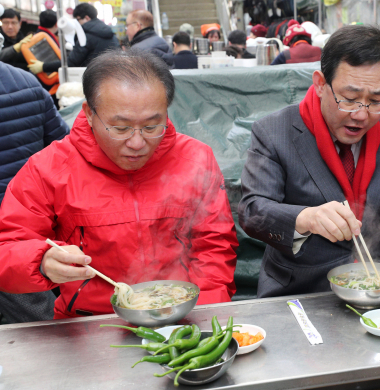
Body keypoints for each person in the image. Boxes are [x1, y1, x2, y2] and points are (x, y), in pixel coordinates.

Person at [0, 49, 238, 319]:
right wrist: (40, 260)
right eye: (121, 128)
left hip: (183, 314)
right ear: (89, 114)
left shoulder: (195, 158)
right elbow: (7, 247)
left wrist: (204, 314)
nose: (137, 143)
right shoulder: (48, 168)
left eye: (151, 126)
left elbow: (214, 245)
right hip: (91, 322)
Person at [239, 25, 380, 298]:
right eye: (349, 99)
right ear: (320, 84)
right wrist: (306, 217)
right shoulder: (274, 132)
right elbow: (253, 209)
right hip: (300, 290)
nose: (361, 115)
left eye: (377, 100)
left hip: (378, 287)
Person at [0, 61, 69, 323]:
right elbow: (64, 149)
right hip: (35, 217)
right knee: (37, 307)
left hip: (13, 228)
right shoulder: (28, 82)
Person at [28, 3, 120, 75]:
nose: (76, 23)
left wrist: (43, 66)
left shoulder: (84, 35)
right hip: (112, 75)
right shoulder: (110, 33)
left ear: (87, 18)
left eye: (78, 19)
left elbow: (71, 63)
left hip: (93, 78)